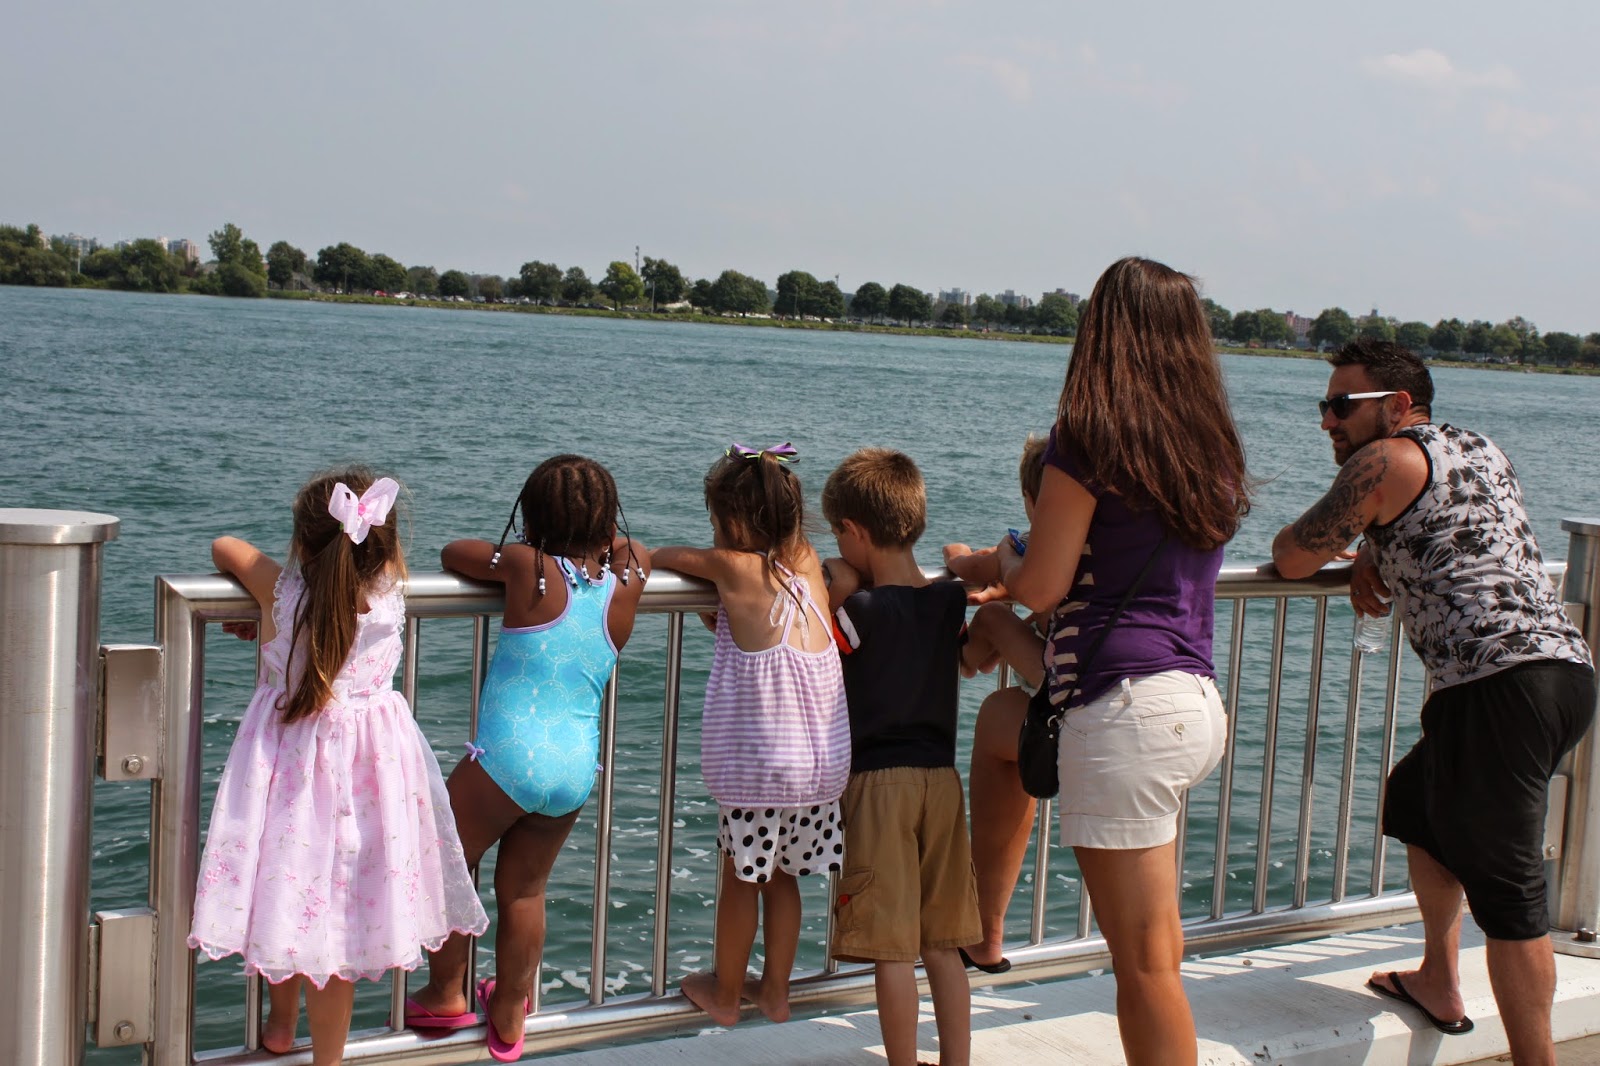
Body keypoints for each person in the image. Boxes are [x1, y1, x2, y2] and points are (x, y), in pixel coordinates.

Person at [947, 256, 1248, 1066]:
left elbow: (1043, 585)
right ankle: (983, 928)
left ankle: (982, 928)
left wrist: (1002, 564)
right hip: (1193, 702)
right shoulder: (1210, 450)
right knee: (1157, 946)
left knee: (1144, 966)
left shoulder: (1087, 438)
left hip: (1125, 711)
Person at [1271, 339, 1594, 1065]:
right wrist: (1374, 550)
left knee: (1510, 898)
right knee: (1417, 800)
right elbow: (1453, 528)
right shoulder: (1477, 446)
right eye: (1325, 405)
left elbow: (1293, 556)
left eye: (1341, 405)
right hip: (1562, 675)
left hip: (1496, 688)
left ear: (1396, 405)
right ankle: (1439, 980)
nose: (1327, 420)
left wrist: (1353, 542)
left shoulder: (1383, 461)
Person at [189, 468, 489, 1066]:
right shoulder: (392, 593)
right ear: (386, 545)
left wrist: (265, 604)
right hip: (372, 773)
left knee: (284, 888)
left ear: (303, 545)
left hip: (289, 772)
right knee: (337, 926)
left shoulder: (279, 591)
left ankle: (279, 1024)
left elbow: (225, 547)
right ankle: (327, 1058)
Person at [407, 455, 650, 1063]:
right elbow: (630, 545)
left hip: (508, 760)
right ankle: (511, 1008)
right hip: (574, 768)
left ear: (534, 520)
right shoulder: (628, 578)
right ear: (607, 524)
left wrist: (527, 544)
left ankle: (445, 992)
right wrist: (604, 538)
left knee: (445, 861)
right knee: (524, 890)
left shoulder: (525, 565)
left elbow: (453, 553)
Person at [652, 442, 852, 1028]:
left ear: (734, 524)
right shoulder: (809, 562)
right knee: (783, 879)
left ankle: (726, 994)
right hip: (820, 767)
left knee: (742, 880)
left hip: (763, 769)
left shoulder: (732, 567)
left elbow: (663, 556)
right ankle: (776, 994)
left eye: (715, 520)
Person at [823, 447, 980, 1066]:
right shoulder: (948, 603)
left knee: (892, 950)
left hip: (878, 785)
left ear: (855, 531)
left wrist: (839, 582)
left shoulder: (857, 613)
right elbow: (953, 610)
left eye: (838, 534)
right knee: (942, 943)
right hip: (942, 780)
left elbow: (824, 631)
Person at [941, 433, 1050, 974]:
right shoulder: (1111, 541)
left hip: (1077, 682)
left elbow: (971, 566)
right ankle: (985, 937)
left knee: (988, 616)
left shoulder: (1029, 544)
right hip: (1167, 683)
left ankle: (969, 657)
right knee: (1003, 713)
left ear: (1031, 499)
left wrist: (954, 553)